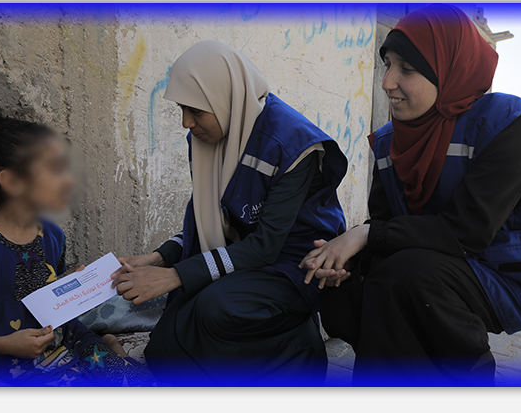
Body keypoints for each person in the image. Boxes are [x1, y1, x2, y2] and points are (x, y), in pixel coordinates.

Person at [301, 4, 521, 386]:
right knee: (343, 285)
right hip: (423, 264)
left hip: (502, 274)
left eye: (406, 69)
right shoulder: (390, 140)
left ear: (450, 70)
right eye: (387, 65)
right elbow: (386, 223)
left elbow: (468, 231)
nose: (387, 82)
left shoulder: (506, 125)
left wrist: (365, 234)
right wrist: (340, 259)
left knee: (410, 275)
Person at [109, 40, 348, 385]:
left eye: (195, 110)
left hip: (296, 265)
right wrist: (160, 257)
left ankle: (299, 350)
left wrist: (177, 274)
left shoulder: (292, 145)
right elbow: (207, 219)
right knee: (166, 346)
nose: (186, 122)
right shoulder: (207, 138)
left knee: (216, 305)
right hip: (243, 258)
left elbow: (265, 245)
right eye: (182, 109)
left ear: (226, 98)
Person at [0, 118, 152, 386]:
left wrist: (70, 283)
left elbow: (45, 293)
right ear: (12, 181)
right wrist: (4, 345)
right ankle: (111, 347)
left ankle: (109, 348)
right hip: (13, 361)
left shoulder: (52, 234)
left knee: (135, 383)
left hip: (68, 339)